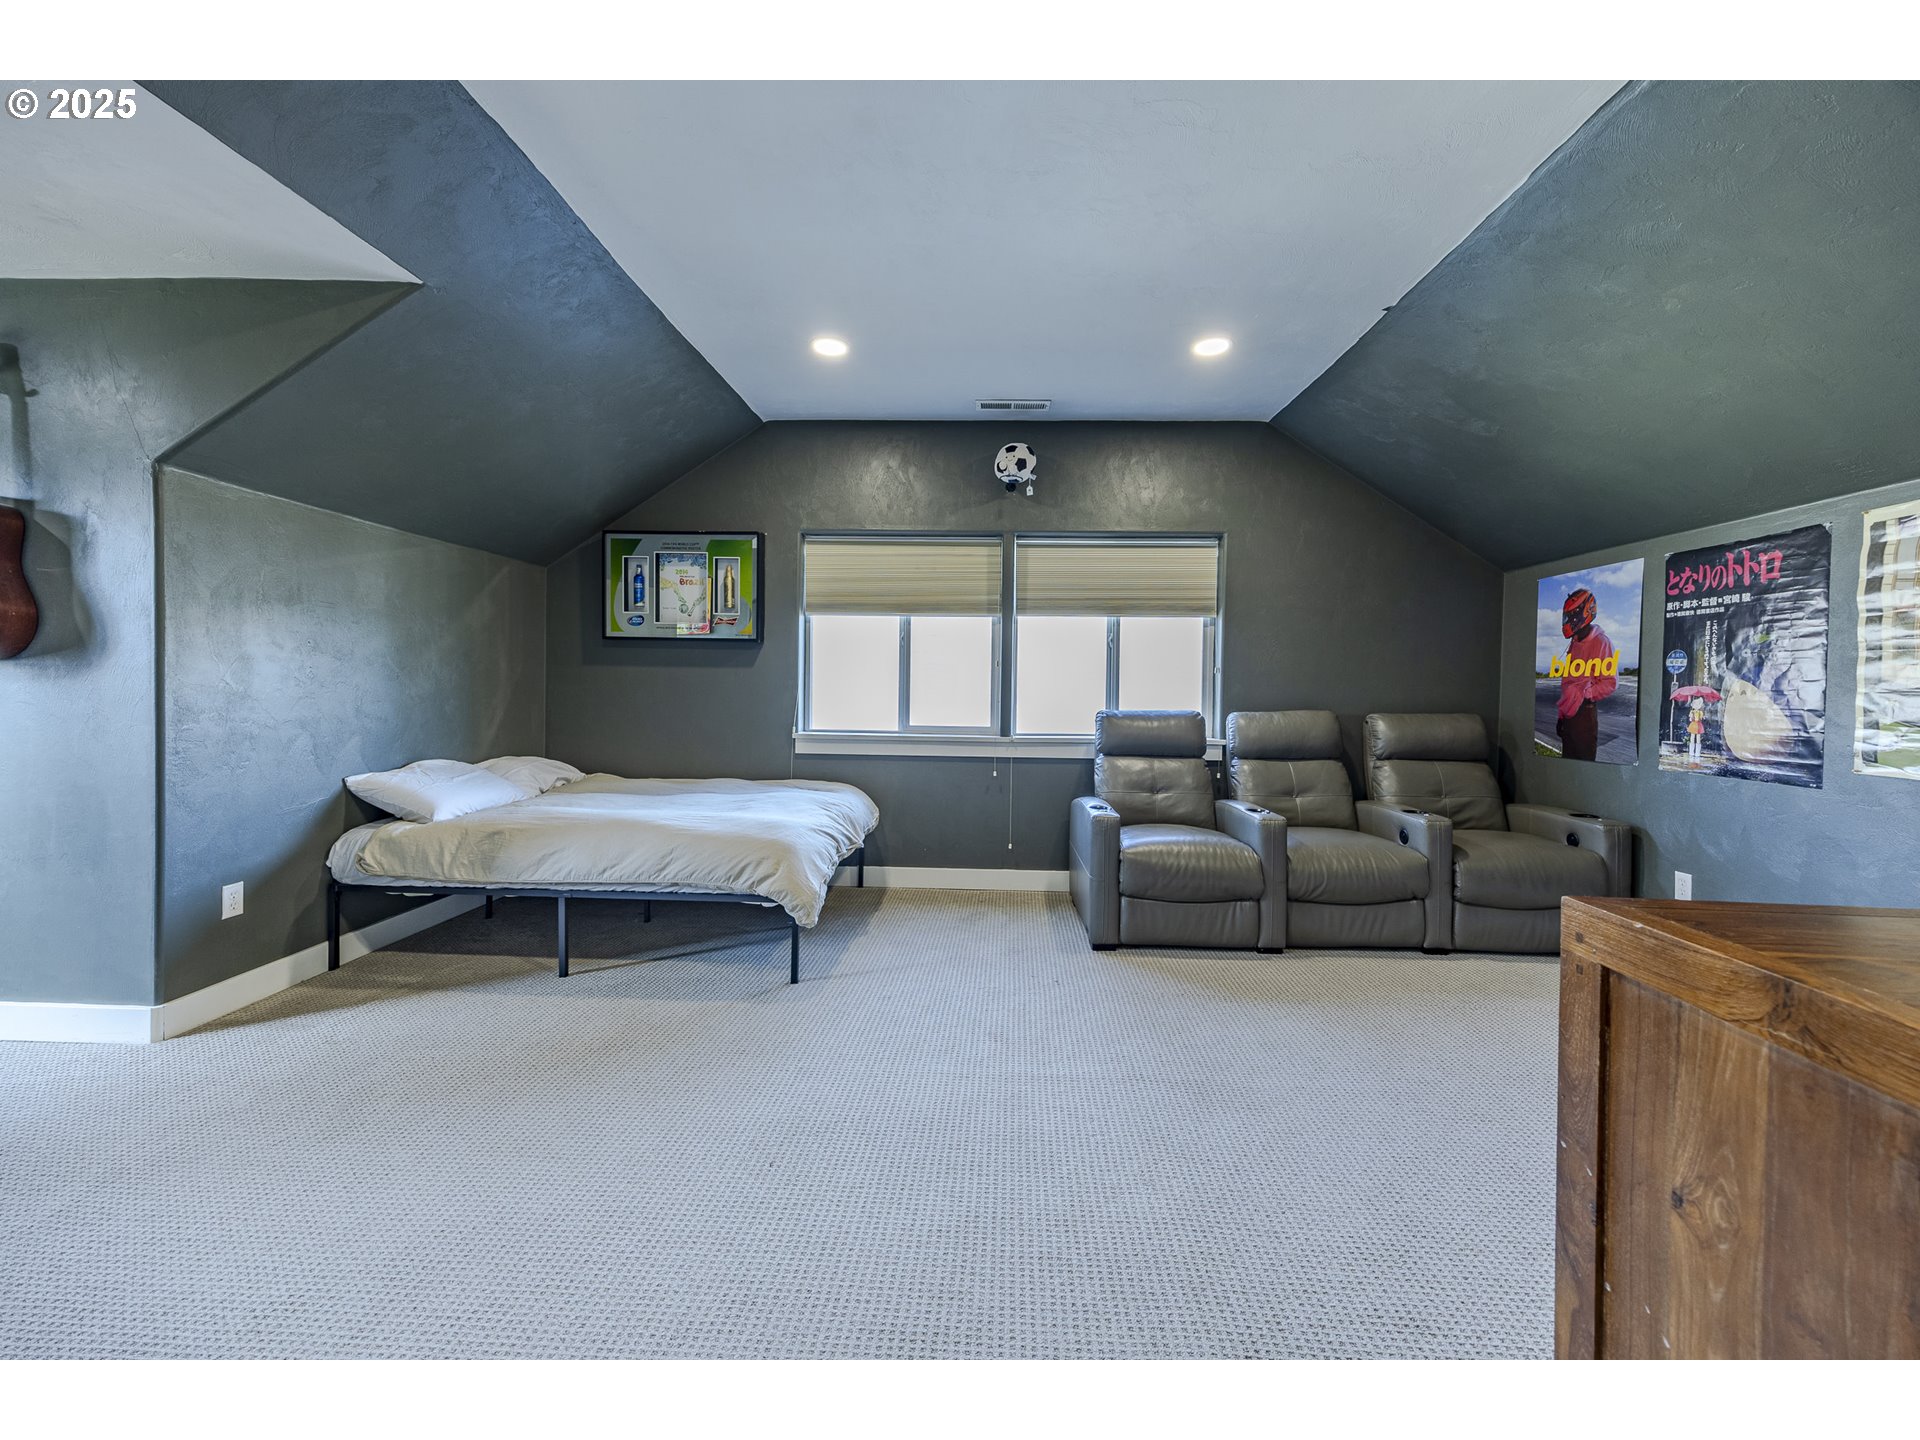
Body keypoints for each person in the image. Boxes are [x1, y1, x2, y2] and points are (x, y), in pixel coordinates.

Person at [1555, 587, 1618, 761]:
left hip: (1584, 714)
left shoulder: (1601, 642)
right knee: (1567, 762)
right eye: (1566, 616)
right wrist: (1561, 715)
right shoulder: (1574, 642)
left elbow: (1610, 682)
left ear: (1584, 613)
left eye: (1571, 616)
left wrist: (1585, 695)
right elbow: (1567, 681)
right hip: (1568, 715)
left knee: (1583, 764)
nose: (1567, 620)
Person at [1686, 696, 1706, 763]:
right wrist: (1691, 716)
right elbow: (1690, 719)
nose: (1696, 706)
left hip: (1698, 724)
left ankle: (1697, 753)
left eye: (1698, 704)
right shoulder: (1692, 712)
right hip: (1693, 724)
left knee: (1698, 738)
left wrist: (1701, 716)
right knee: (1692, 737)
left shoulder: (1700, 712)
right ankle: (1691, 752)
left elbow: (1701, 718)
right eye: (1695, 704)